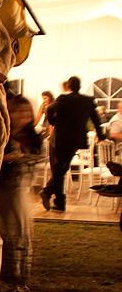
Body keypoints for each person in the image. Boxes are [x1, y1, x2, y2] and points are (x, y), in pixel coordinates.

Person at [40, 76, 105, 211]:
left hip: (60, 139)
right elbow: (96, 120)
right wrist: (102, 136)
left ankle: (56, 199)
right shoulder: (88, 101)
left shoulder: (63, 99)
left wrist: (53, 122)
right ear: (79, 86)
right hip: (76, 140)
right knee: (62, 169)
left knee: (58, 170)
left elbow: (50, 109)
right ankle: (52, 196)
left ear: (68, 86)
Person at [0, 95, 43, 290]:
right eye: (19, 111)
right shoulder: (3, 134)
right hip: (4, 187)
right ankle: (5, 274)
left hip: (21, 189)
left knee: (20, 231)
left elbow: (38, 156)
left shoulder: (33, 136)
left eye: (26, 112)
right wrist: (5, 158)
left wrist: (27, 157)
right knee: (6, 231)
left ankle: (18, 275)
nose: (23, 115)